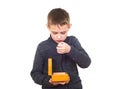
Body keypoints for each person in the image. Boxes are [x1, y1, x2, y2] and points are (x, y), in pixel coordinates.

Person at [30, 8, 91, 89]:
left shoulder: (73, 41)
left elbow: (86, 63)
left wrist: (70, 50)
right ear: (48, 27)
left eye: (63, 32)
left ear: (69, 27)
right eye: (54, 33)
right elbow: (35, 73)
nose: (59, 36)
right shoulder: (42, 47)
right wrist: (50, 81)